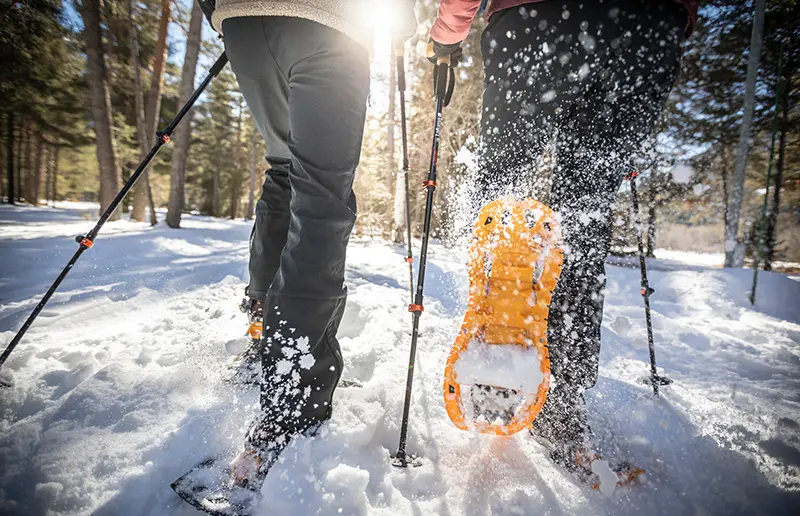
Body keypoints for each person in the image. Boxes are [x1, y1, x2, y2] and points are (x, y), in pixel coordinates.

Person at [428, 0, 698, 471]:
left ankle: (497, 370)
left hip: (537, 22)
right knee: (582, 218)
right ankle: (561, 405)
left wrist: (450, 30)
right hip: (645, 30)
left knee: (503, 207)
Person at [205, 0, 417, 487]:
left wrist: (225, 15)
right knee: (321, 195)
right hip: (328, 23)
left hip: (243, 23)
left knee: (284, 171)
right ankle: (294, 393)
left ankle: (264, 331)